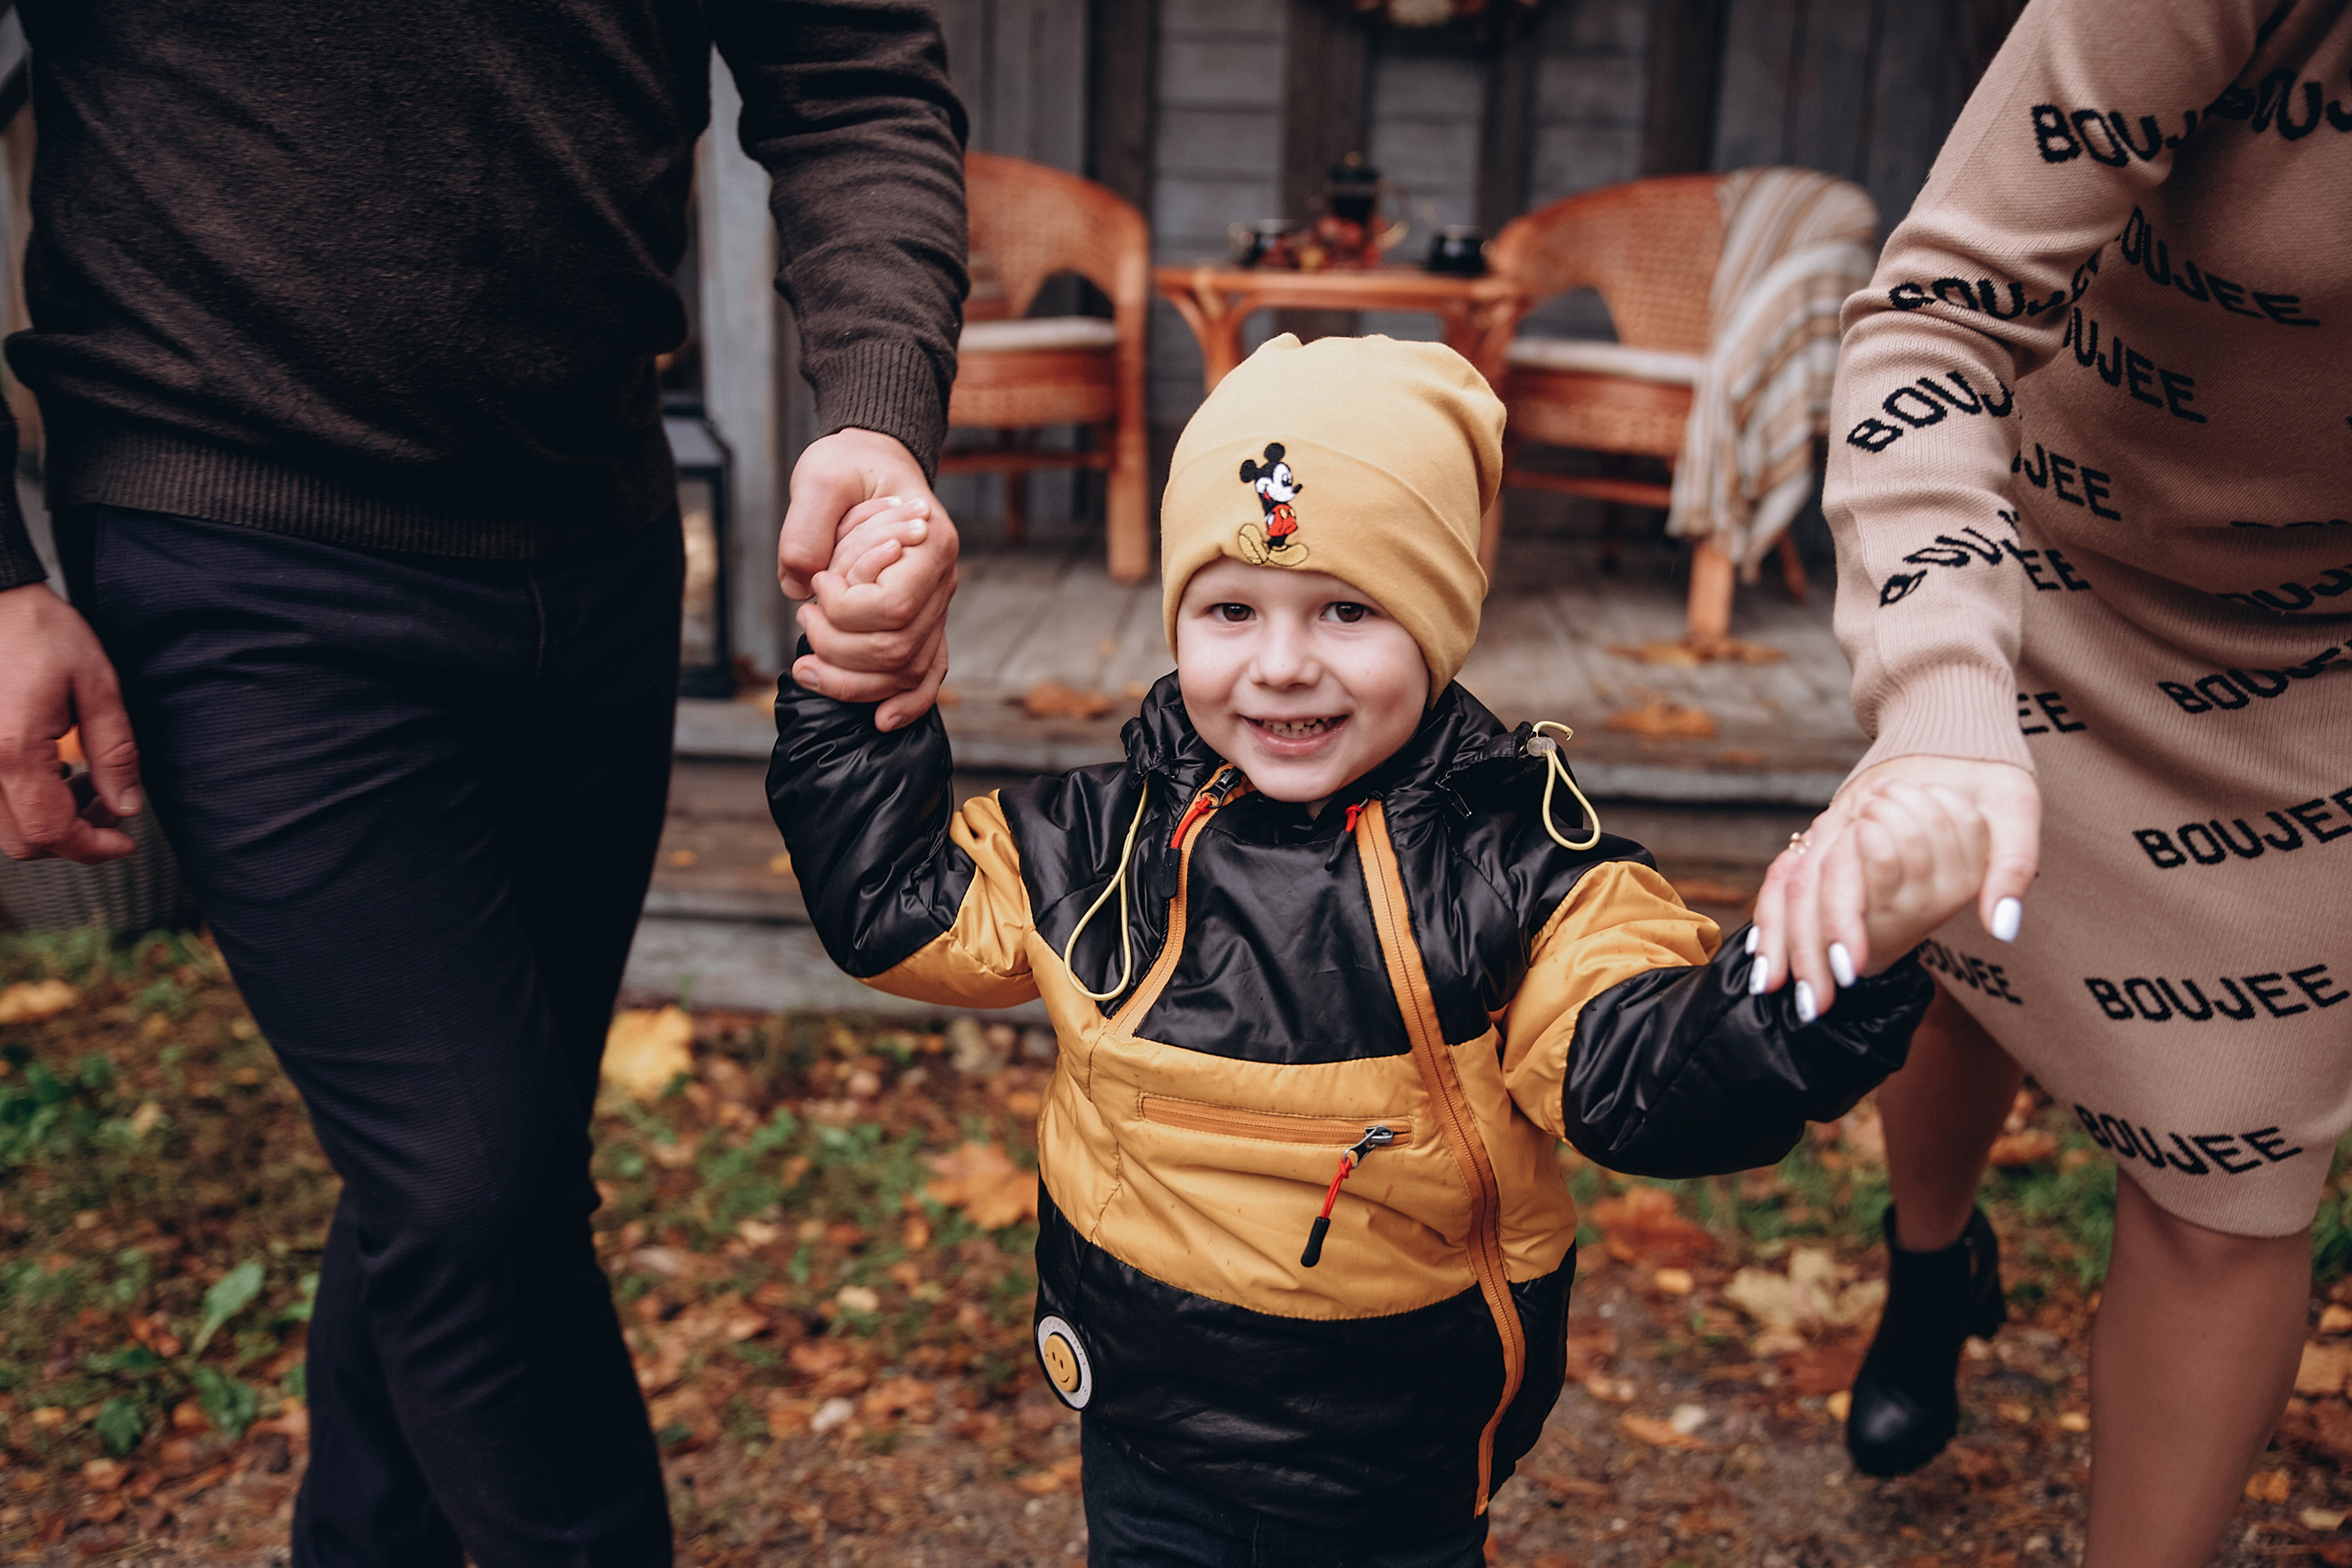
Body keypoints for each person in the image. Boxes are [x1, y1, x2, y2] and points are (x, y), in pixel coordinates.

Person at [0, 3, 965, 1561]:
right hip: (235, 542)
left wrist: (876, 412)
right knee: (472, 1186)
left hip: (595, 539)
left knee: (470, 1180)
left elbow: (851, 72)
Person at [769, 333, 1988, 1566]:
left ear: (1442, 622)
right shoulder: (1103, 836)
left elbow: (1647, 1081)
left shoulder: (1513, 870)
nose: (1283, 663)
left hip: (1392, 1462)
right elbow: (894, 910)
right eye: (1231, 609)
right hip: (1142, 1428)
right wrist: (848, 684)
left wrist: (1850, 941)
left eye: (1348, 610)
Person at [1748, 2, 2352, 1562]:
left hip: (2323, 665)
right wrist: (1947, 705)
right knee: (1975, 950)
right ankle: (1931, 1260)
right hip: (2042, 563)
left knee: (2238, 1181)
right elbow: (1934, 321)